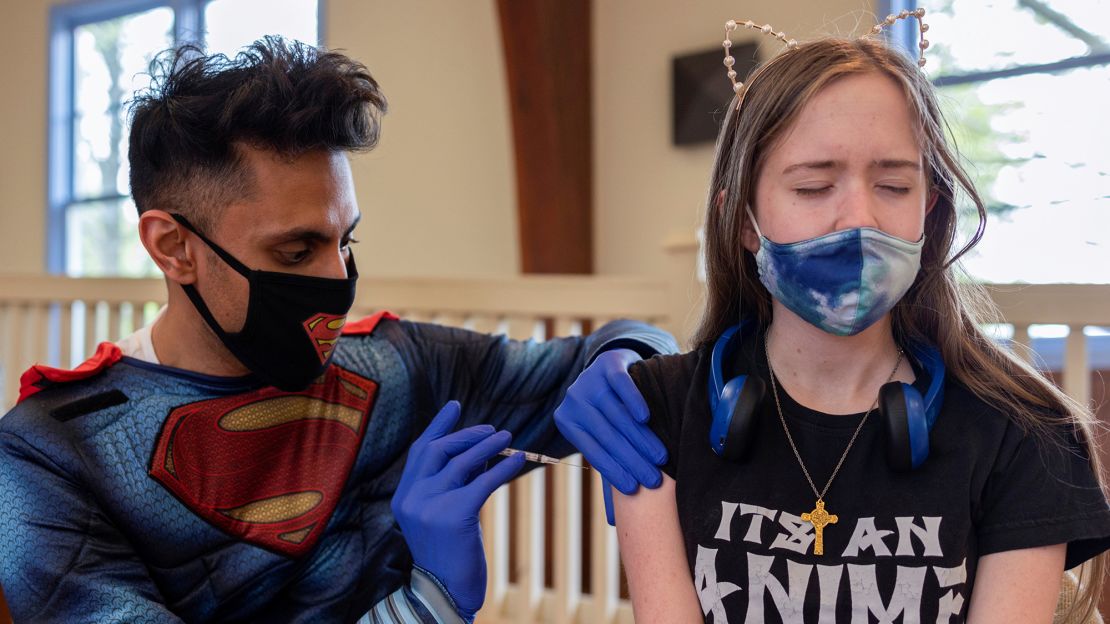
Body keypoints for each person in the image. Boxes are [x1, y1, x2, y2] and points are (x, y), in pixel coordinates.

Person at [0, 38, 674, 623]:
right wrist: (428, 605)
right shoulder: (50, 459)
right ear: (173, 247)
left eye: (345, 241)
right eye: (296, 253)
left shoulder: (394, 367)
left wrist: (634, 357)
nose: (337, 280)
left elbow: (622, 346)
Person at [609, 10, 1110, 623]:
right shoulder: (653, 414)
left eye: (894, 187)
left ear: (928, 211)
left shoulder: (1025, 433)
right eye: (815, 187)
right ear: (743, 220)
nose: (859, 220)